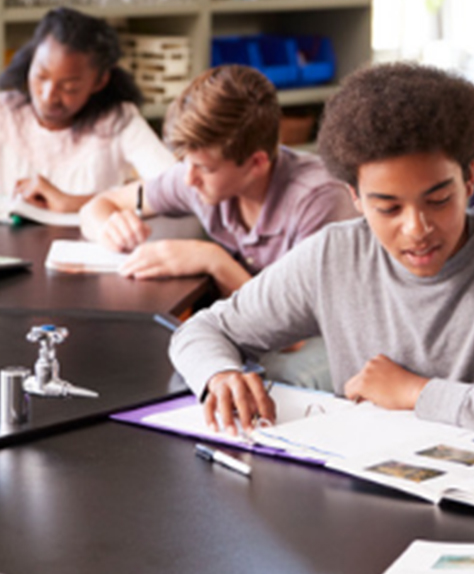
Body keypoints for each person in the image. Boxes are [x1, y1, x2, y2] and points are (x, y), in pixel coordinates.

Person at [167, 63, 474, 450]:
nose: (416, 228)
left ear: (469, 177)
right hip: (363, 494)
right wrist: (218, 376)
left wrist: (417, 393)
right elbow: (202, 331)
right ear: (355, 198)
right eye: (388, 208)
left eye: (437, 199)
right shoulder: (334, 255)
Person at [79, 64, 356, 390]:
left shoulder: (318, 198)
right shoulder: (201, 176)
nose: (187, 178)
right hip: (259, 324)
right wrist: (108, 225)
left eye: (203, 168)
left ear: (256, 163)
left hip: (326, 338)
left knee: (269, 381)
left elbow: (289, 333)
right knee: (182, 368)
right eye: (185, 162)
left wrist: (212, 260)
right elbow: (98, 206)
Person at [0, 7, 174, 212]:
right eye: (41, 76)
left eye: (69, 87)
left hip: (92, 243)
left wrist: (73, 203)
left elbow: (174, 186)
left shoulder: (118, 120)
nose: (48, 96)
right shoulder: (6, 111)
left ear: (99, 81)